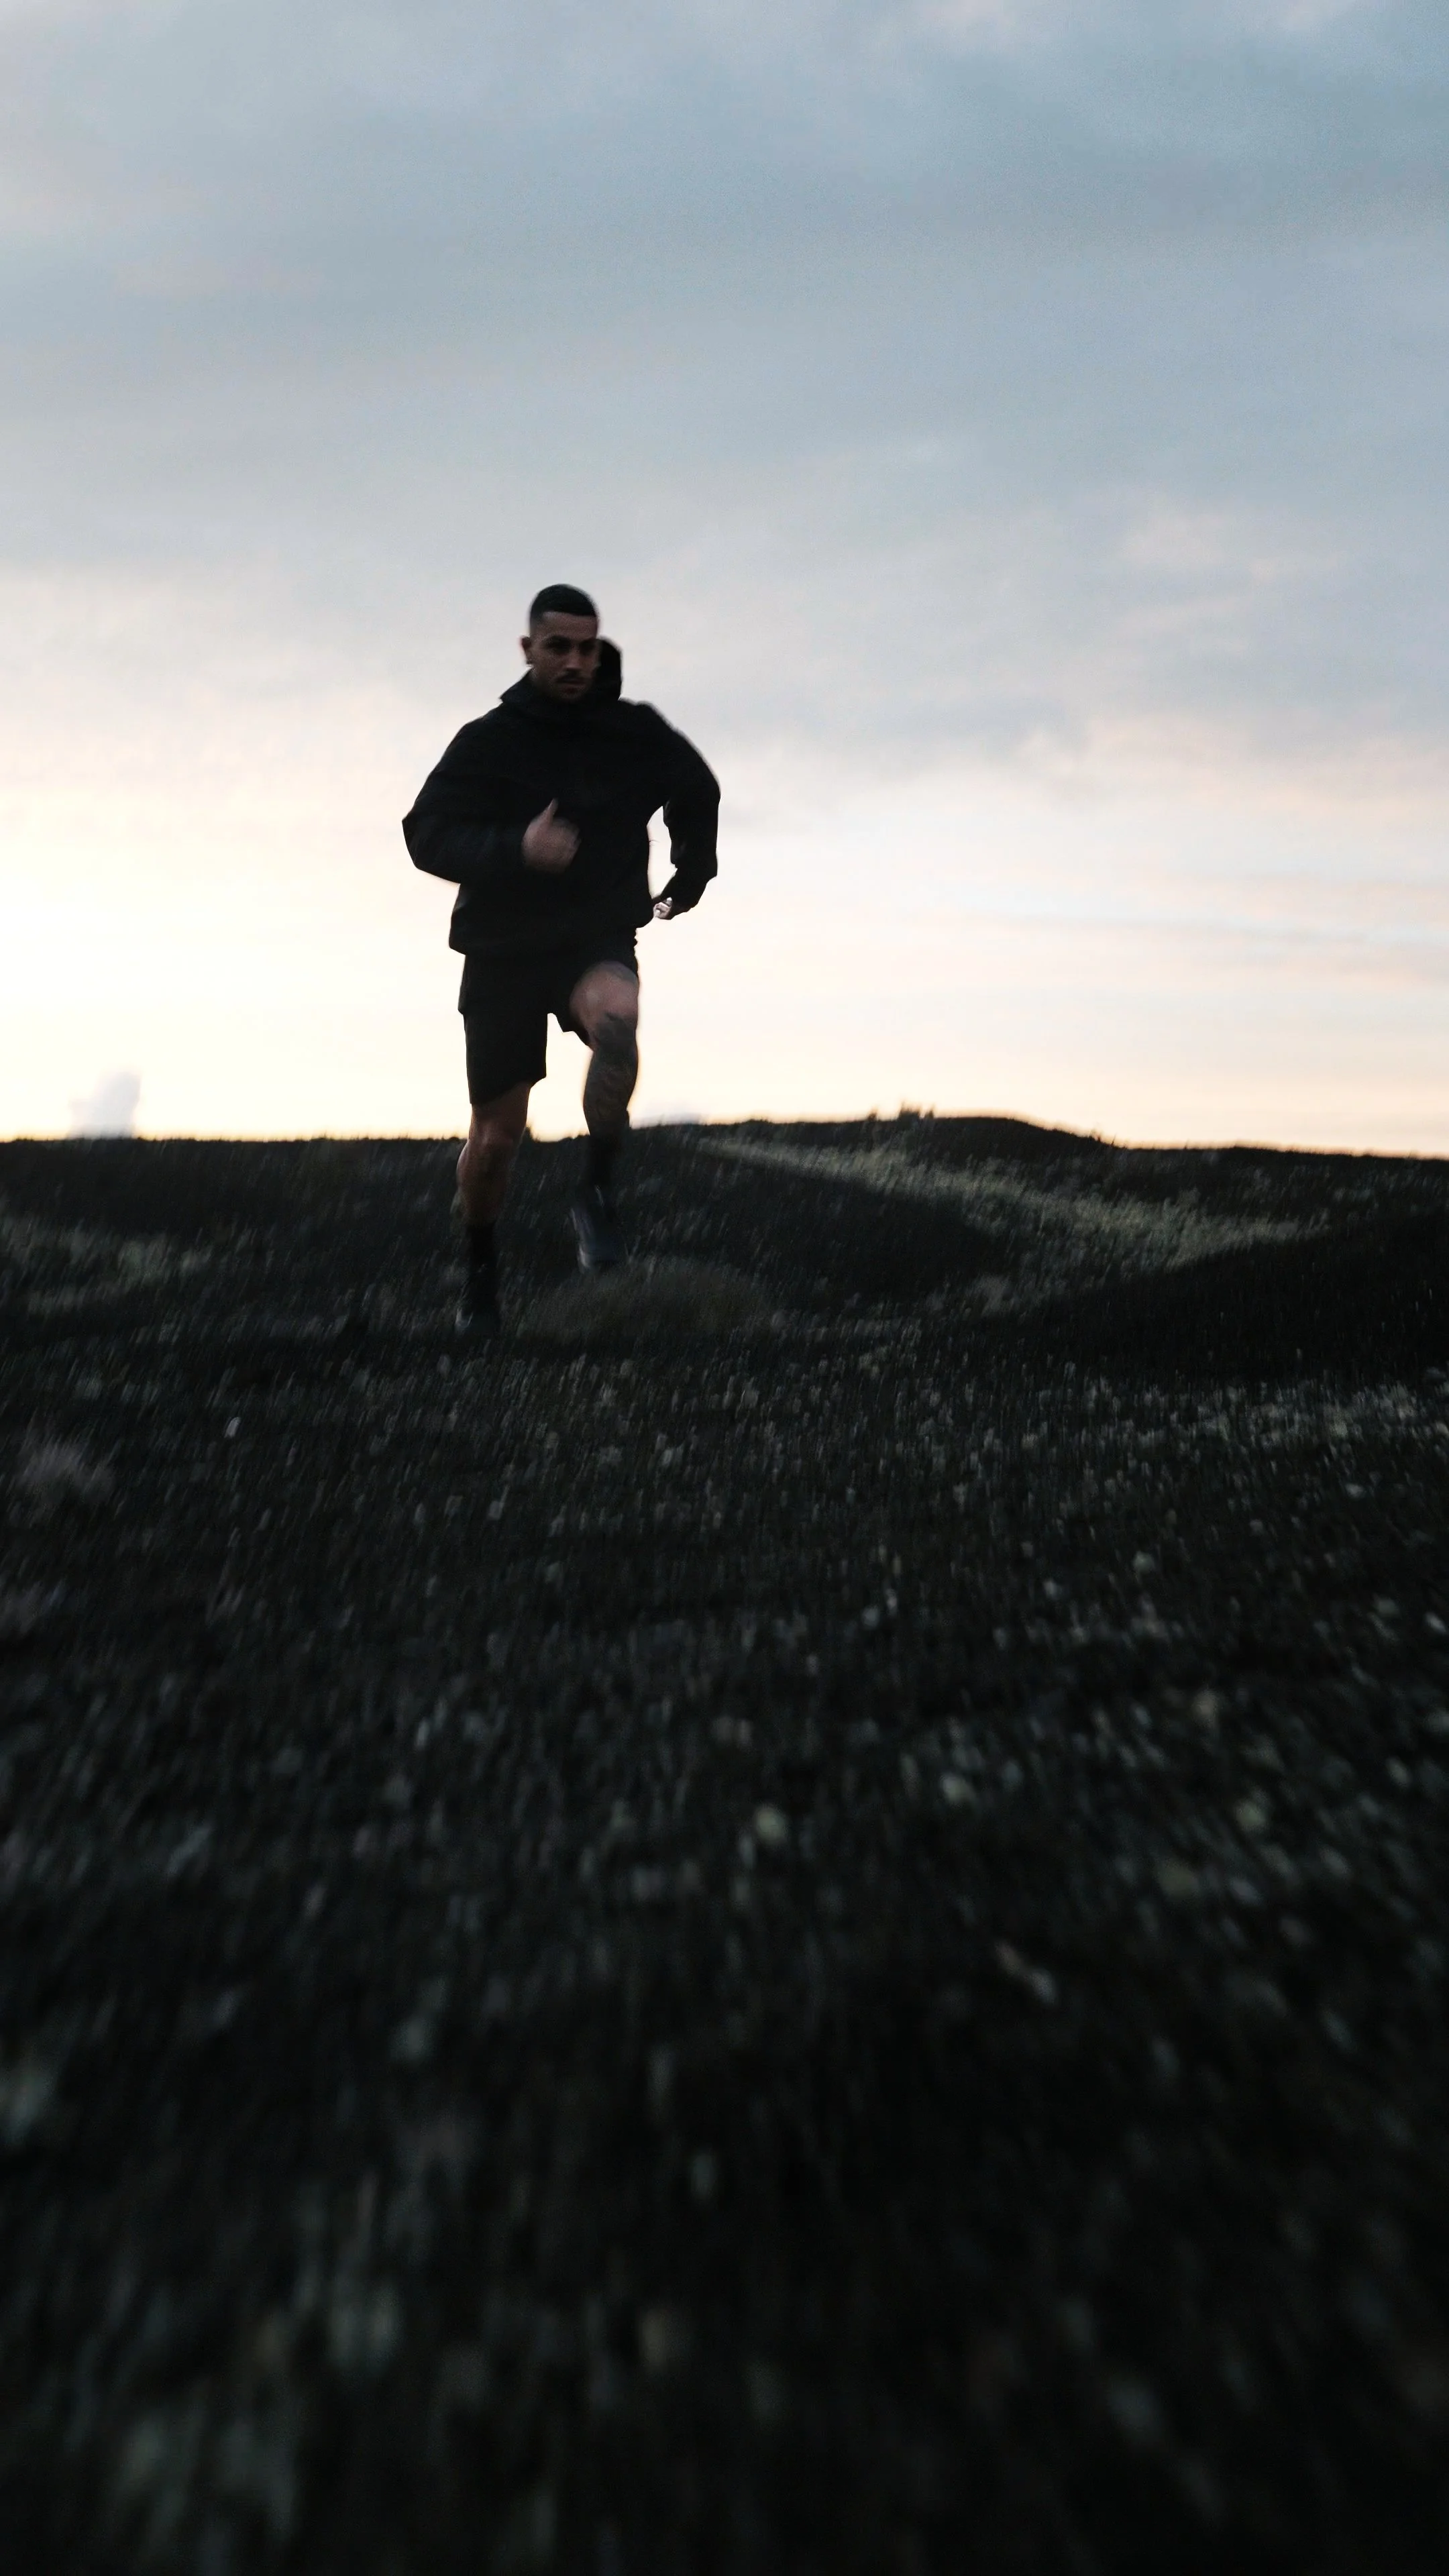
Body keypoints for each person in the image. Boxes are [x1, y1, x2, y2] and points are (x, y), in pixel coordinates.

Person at [402, 585, 720, 1339]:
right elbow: (425, 833)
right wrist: (517, 848)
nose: (576, 662)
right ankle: (481, 1273)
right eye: (559, 648)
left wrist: (691, 872)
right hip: (503, 950)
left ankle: (597, 1195)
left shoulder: (631, 731)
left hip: (594, 936)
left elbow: (695, 787)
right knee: (497, 1140)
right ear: (528, 650)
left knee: (619, 1018)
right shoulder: (489, 741)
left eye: (587, 647)